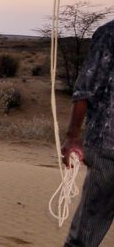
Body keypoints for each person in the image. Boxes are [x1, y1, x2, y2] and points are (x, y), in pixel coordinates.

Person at [62, 19, 114, 247]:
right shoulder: (109, 34)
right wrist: (73, 136)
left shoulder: (109, 33)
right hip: (107, 151)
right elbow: (85, 89)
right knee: (86, 233)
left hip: (106, 145)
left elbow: (85, 88)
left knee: (85, 234)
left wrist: (72, 137)